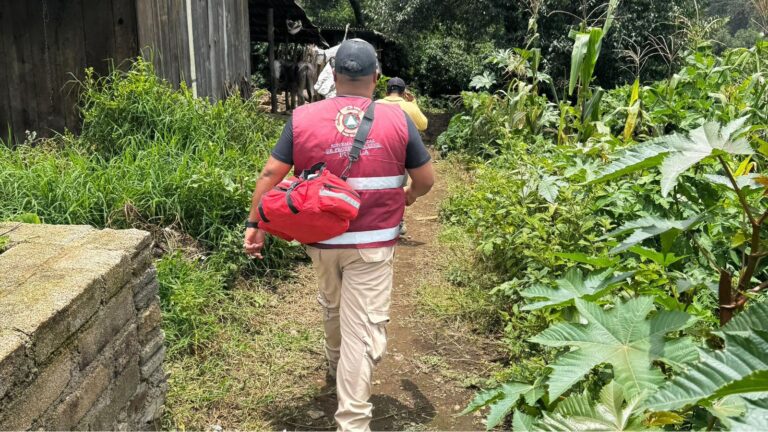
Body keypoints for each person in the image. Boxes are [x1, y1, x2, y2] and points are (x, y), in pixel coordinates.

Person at [243, 39, 434, 432]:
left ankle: (335, 362)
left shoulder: (303, 117)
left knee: (332, 305)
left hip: (321, 240)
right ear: (376, 79)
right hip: (373, 244)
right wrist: (409, 196)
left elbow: (269, 175)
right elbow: (426, 180)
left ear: (333, 75)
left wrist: (254, 225)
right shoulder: (398, 120)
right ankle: (353, 421)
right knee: (361, 330)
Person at [377, 77, 429, 236]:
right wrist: (413, 103)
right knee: (399, 186)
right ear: (403, 92)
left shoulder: (376, 104)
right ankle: (397, 222)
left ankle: (376, 219)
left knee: (377, 185)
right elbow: (423, 125)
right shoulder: (408, 107)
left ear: (387, 91)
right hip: (402, 153)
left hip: (378, 151)